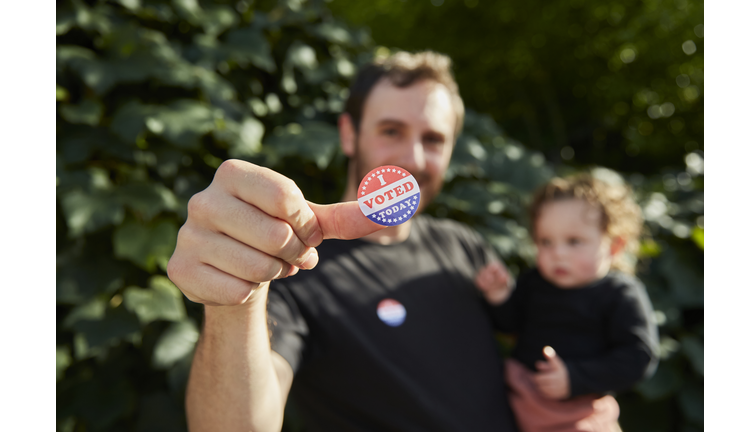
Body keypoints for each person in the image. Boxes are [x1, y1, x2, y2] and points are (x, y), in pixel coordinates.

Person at [167, 51, 518, 431]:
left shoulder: (464, 245)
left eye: (433, 139)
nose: (414, 158)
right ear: (349, 134)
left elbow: (541, 332)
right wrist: (235, 302)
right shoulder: (292, 262)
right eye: (391, 131)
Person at [475, 174, 659, 432]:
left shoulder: (620, 293)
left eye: (574, 242)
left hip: (579, 412)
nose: (558, 253)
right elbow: (509, 324)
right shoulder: (534, 281)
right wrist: (498, 296)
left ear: (615, 246)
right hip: (519, 398)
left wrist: (575, 378)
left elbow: (637, 357)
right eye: (545, 242)